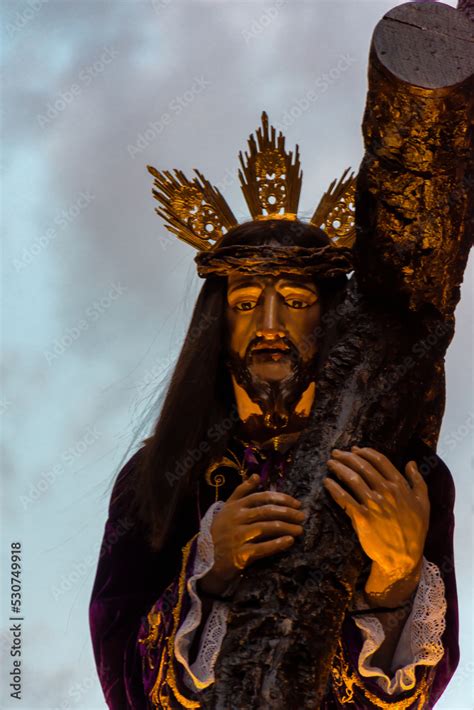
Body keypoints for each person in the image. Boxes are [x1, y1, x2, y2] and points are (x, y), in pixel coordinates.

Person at [89, 116, 459, 709]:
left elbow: (417, 693)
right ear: (217, 325)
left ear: (329, 317)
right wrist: (210, 568)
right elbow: (122, 676)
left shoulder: (406, 473)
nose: (268, 326)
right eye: (243, 303)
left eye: (293, 301)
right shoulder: (158, 479)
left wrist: (396, 576)